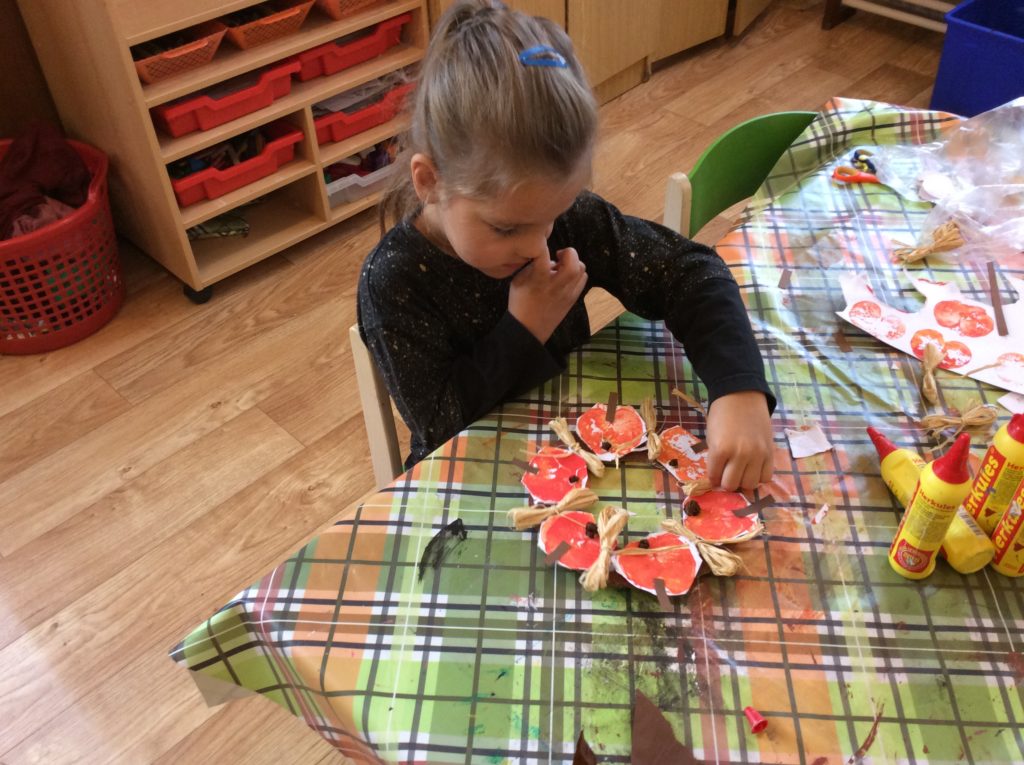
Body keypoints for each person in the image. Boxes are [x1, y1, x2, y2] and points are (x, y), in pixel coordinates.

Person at [357, 0, 776, 491]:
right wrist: (525, 327)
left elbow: (689, 271)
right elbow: (440, 427)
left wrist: (738, 386)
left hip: (579, 454)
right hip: (471, 480)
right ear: (430, 182)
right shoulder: (395, 281)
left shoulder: (564, 218)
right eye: (507, 228)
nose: (538, 246)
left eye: (553, 216)